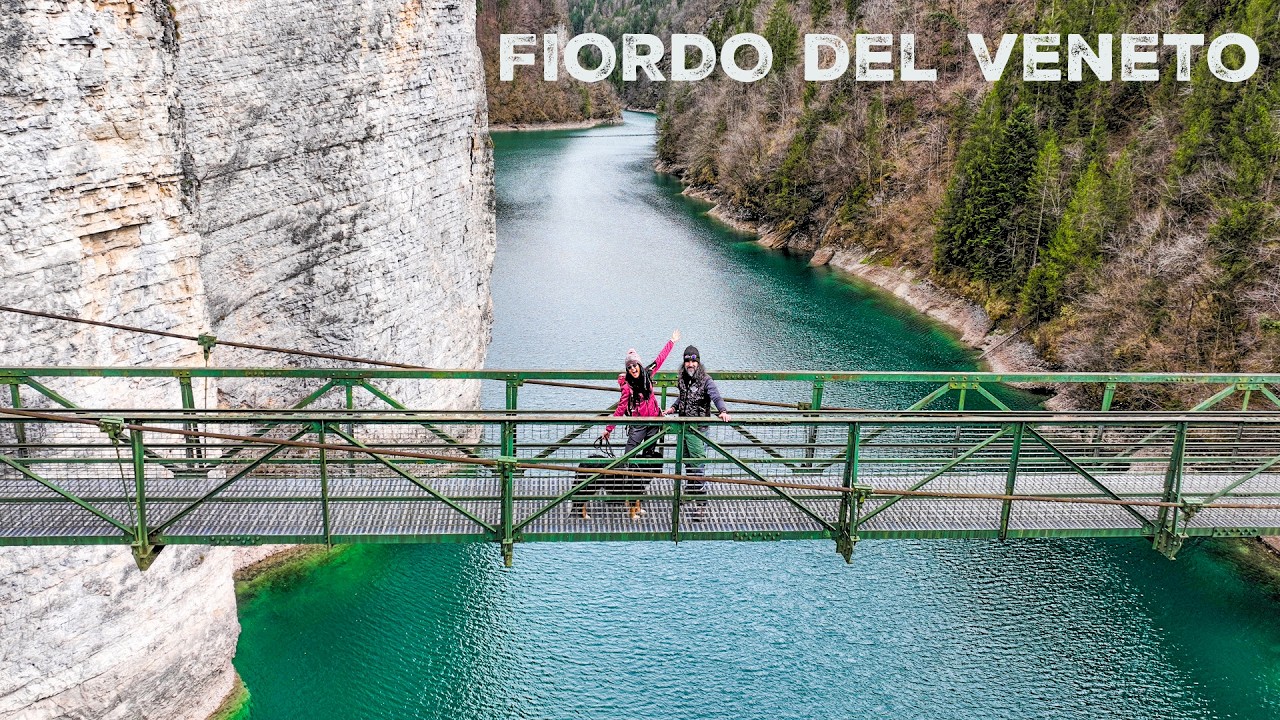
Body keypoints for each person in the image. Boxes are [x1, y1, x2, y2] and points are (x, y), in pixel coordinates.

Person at [601, 329, 679, 519]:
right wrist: (608, 428)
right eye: (630, 367)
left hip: (654, 424)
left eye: (635, 365)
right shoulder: (627, 387)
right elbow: (620, 408)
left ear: (639, 364)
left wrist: (672, 341)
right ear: (627, 369)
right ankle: (621, 495)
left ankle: (637, 499)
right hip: (638, 425)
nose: (633, 369)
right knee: (629, 459)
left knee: (647, 461)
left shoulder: (648, 373)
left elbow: (660, 359)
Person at [663, 345, 730, 519]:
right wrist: (673, 407)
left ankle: (701, 504)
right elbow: (683, 397)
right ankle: (690, 490)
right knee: (687, 462)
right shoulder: (683, 379)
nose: (690, 364)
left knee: (698, 465)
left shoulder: (706, 380)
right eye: (687, 361)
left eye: (693, 361)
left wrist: (722, 410)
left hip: (698, 429)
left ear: (698, 362)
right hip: (684, 427)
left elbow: (716, 396)